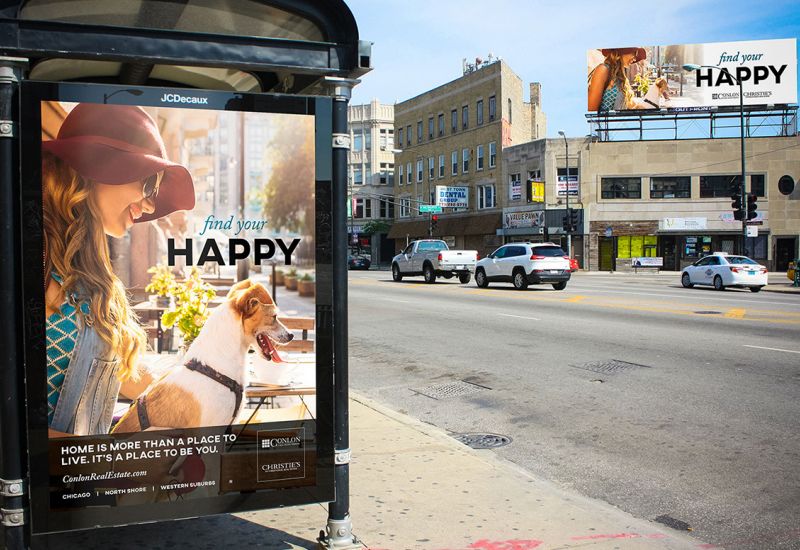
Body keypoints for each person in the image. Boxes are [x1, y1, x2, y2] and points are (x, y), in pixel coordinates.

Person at [42, 102, 195, 437]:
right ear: (99, 167)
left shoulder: (92, 272)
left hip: (85, 481)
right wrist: (96, 460)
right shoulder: (27, 256)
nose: (151, 204)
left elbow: (123, 373)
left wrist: (200, 388)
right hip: (46, 483)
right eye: (148, 184)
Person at [588, 47, 648, 112]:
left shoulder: (621, 77)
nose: (635, 59)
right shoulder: (603, 69)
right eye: (634, 53)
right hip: (606, 122)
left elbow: (629, 103)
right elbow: (591, 111)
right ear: (623, 51)